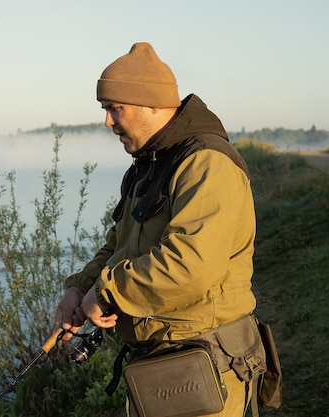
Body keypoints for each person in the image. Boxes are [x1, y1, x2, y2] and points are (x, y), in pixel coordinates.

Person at [54, 42, 262, 417]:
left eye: (115, 109)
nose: (107, 122)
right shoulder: (147, 165)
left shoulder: (205, 163)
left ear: (152, 103)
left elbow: (190, 266)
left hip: (204, 367)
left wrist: (108, 292)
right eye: (105, 109)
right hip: (161, 368)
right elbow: (117, 245)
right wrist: (80, 288)